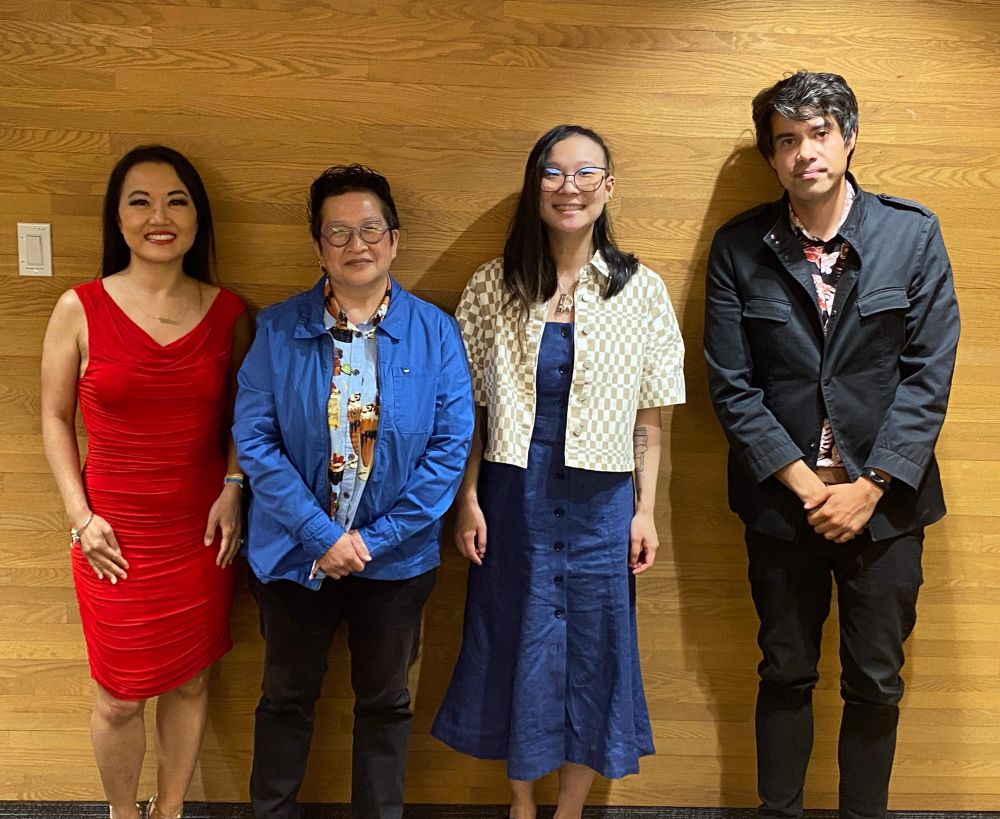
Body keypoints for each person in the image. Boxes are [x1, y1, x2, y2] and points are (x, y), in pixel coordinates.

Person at [703, 71, 960, 819]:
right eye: (786, 139)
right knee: (784, 669)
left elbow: (928, 373)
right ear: (771, 155)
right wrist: (810, 487)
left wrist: (870, 482)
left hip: (887, 505)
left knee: (876, 679)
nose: (804, 152)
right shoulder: (739, 246)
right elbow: (732, 384)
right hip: (785, 507)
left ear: (849, 138)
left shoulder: (911, 233)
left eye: (819, 133)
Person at [432, 124, 685, 819]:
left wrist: (645, 510)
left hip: (605, 498)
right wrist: (469, 498)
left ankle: (570, 807)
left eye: (584, 173)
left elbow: (650, 418)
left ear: (608, 187)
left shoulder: (642, 290)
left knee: (596, 645)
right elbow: (469, 410)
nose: (567, 187)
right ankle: (520, 801)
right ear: (533, 185)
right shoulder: (495, 285)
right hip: (513, 492)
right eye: (552, 172)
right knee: (515, 633)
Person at [233, 164, 473, 819]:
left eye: (370, 229)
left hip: (394, 563)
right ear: (318, 247)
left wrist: (370, 540)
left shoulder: (436, 332)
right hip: (293, 555)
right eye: (338, 232)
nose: (356, 244)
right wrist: (323, 536)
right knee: (284, 697)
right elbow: (255, 442)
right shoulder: (278, 330)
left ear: (394, 240)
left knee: (386, 701)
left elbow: (449, 452)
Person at [40, 145, 250, 819]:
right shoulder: (79, 307)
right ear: (117, 217)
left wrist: (235, 484)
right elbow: (52, 415)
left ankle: (171, 809)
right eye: (141, 201)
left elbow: (248, 416)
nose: (160, 216)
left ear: (198, 218)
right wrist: (81, 515)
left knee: (189, 686)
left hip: (199, 534)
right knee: (118, 697)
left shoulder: (230, 315)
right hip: (111, 538)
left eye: (177, 201)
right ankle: (123, 813)